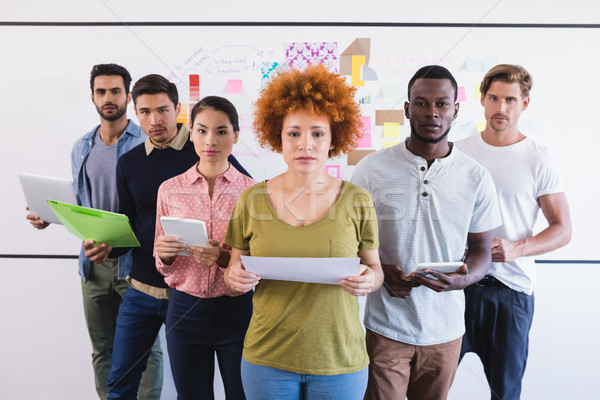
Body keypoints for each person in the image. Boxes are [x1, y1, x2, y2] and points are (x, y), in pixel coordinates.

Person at [81, 74, 251, 400]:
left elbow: (245, 214)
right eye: (144, 112)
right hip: (147, 286)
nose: (154, 120)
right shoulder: (131, 164)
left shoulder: (209, 152)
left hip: (210, 298)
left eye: (162, 110)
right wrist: (108, 246)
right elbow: (131, 225)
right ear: (135, 111)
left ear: (178, 109)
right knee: (123, 381)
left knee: (234, 389)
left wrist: (224, 257)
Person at [223, 64, 383, 400]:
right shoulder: (251, 199)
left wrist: (370, 279)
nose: (304, 144)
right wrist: (233, 277)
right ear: (278, 137)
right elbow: (232, 269)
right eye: (293, 133)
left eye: (317, 133)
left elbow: (375, 268)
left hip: (339, 359)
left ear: (333, 139)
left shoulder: (357, 200)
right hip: (267, 359)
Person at [351, 65, 502, 400]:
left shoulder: (475, 176)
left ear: (455, 110)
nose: (432, 112)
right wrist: (378, 272)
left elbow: (481, 249)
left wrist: (462, 280)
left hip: (445, 331)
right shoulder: (371, 169)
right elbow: (350, 242)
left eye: (442, 104)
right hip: (386, 326)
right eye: (421, 103)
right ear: (407, 109)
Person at [25, 64, 162, 400]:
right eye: (101, 92)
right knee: (103, 349)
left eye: (115, 91)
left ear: (128, 96)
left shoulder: (146, 144)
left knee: (147, 350)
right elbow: (82, 204)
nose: (108, 98)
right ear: (92, 97)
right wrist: (49, 217)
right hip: (93, 264)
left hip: (136, 264)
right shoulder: (81, 147)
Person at [455, 64, 572, 400]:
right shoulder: (458, 152)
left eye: (509, 99)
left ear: (525, 104)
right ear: (482, 99)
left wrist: (518, 248)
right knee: (434, 386)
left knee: (505, 393)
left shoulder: (539, 158)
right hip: (457, 286)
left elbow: (563, 229)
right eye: (494, 98)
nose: (500, 108)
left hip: (512, 292)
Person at [154, 96, 256, 399]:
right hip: (185, 310)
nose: (210, 140)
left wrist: (224, 258)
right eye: (201, 131)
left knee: (242, 394)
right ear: (191, 133)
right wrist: (166, 254)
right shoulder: (169, 189)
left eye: (221, 131)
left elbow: (259, 261)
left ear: (236, 135)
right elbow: (161, 264)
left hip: (238, 311)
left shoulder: (253, 192)